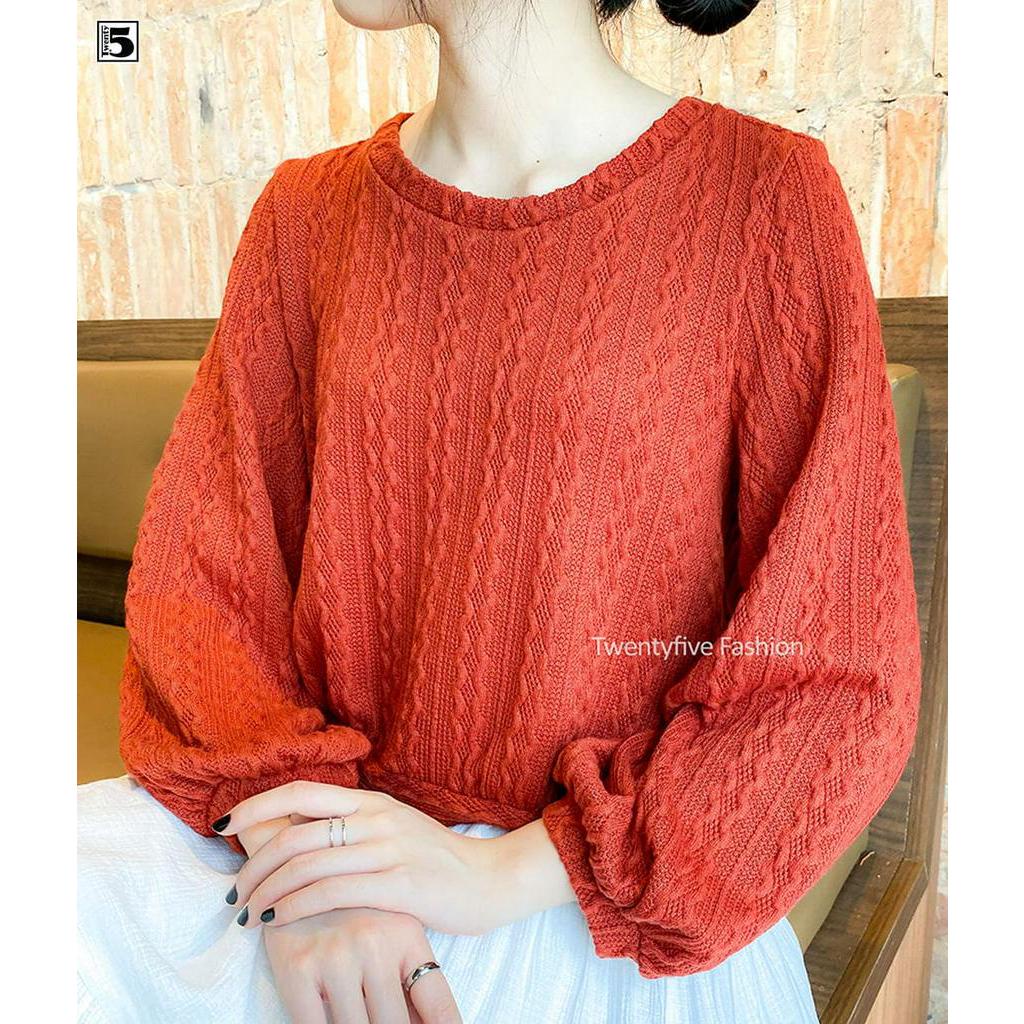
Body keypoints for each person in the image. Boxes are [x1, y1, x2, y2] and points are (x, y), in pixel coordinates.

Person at [77, 1, 922, 1022]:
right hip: (312, 846)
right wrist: (318, 866)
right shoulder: (305, 216)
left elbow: (831, 668)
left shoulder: (764, 197)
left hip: (572, 896)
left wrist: (494, 875)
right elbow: (202, 580)